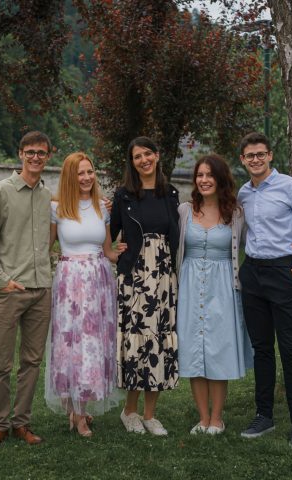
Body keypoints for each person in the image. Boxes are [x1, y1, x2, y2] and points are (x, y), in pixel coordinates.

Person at [237, 132, 292, 450]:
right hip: (253, 273)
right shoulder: (243, 193)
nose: (256, 159)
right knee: (261, 348)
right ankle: (264, 415)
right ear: (242, 160)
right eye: (250, 155)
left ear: (270, 155)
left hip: (284, 272)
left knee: (289, 349)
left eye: (261, 154)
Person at [0, 131, 53, 450]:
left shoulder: (47, 196)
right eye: (30, 152)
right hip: (9, 292)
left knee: (32, 362)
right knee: (1, 364)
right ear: (20, 154)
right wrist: (1, 281)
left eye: (41, 153)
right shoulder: (1, 192)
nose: (35, 157)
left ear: (48, 156)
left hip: (41, 290)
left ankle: (21, 423)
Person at [44, 152, 125, 437]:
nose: (87, 177)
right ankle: (76, 413)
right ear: (70, 176)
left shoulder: (103, 207)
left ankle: (80, 409)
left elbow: (108, 251)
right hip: (70, 283)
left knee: (92, 345)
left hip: (99, 281)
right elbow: (46, 246)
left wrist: (124, 252)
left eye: (90, 171)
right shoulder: (57, 208)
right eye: (80, 173)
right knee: (69, 345)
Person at [176, 154, 253, 435]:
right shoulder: (184, 211)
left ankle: (217, 418)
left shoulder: (237, 214)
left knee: (219, 350)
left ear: (220, 179)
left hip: (223, 287)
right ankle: (203, 417)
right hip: (189, 286)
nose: (204, 180)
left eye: (209, 175)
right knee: (193, 349)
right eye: (200, 175)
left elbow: (258, 241)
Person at [110, 136, 179, 436]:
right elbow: (107, 231)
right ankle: (129, 411)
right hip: (135, 279)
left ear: (157, 155)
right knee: (136, 344)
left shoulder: (170, 194)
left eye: (148, 154)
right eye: (137, 156)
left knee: (159, 342)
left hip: (163, 278)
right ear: (132, 162)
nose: (143, 160)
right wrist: (111, 252)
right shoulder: (124, 196)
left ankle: (150, 415)